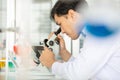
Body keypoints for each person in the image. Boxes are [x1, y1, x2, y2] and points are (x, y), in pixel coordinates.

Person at [40, 0, 120, 80]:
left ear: (72, 15)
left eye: (60, 24)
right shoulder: (93, 33)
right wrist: (63, 51)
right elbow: (85, 66)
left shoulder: (100, 32)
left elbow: (78, 74)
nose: (62, 31)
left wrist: (51, 64)